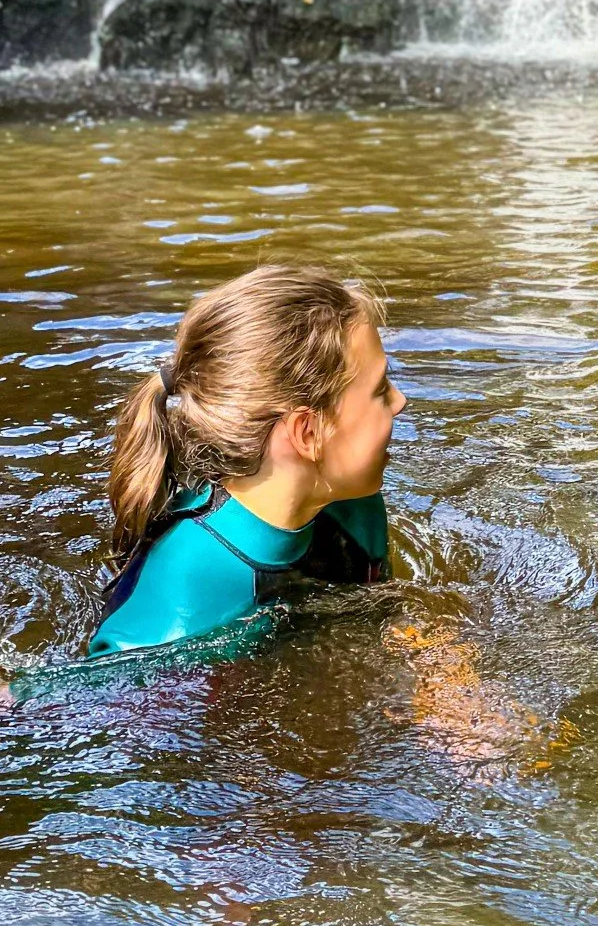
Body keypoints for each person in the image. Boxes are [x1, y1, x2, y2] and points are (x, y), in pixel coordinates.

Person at [89, 263, 404, 655]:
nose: (400, 402)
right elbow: (95, 700)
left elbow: (382, 610)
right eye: (380, 390)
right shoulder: (190, 586)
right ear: (308, 433)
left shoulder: (351, 498)